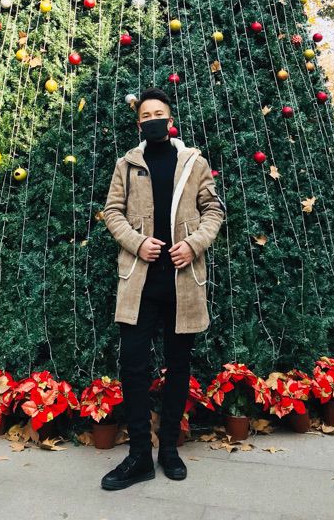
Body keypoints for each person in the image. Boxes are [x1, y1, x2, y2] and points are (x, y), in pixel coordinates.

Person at [102, 88, 225, 490]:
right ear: (139, 123)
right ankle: (139, 455)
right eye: (146, 115)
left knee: (178, 368)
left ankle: (169, 448)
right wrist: (137, 242)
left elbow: (214, 210)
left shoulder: (194, 162)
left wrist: (194, 244)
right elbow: (112, 212)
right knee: (133, 367)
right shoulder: (126, 164)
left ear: (170, 120)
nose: (152, 119)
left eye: (159, 113)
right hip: (138, 282)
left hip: (182, 282)